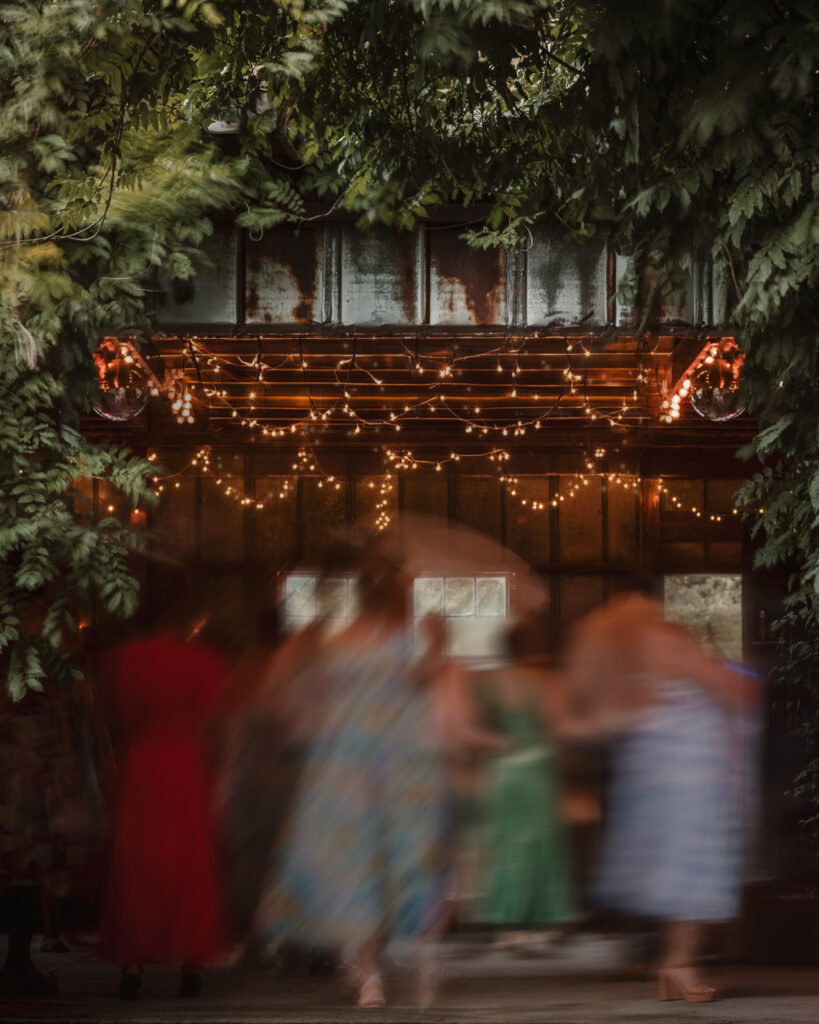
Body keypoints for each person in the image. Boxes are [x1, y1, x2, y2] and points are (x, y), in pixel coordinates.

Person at [255, 561, 448, 1009]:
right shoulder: (399, 639)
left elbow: (306, 698)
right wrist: (440, 640)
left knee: (352, 866)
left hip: (341, 765)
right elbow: (423, 680)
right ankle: (373, 968)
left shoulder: (337, 642)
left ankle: (368, 977)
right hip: (392, 763)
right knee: (385, 864)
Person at [566, 587, 760, 1002]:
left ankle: (673, 963)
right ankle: (679, 962)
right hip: (691, 769)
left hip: (657, 772)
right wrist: (733, 681)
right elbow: (723, 684)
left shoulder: (618, 652)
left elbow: (602, 715)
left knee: (676, 870)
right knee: (693, 868)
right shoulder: (666, 639)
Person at [98, 597, 229, 999]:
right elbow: (214, 719)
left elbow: (116, 715)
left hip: (142, 766)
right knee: (188, 862)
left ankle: (133, 962)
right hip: (185, 766)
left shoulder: (125, 660)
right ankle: (191, 960)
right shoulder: (199, 660)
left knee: (138, 862)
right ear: (176, 617)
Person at [470, 620, 576, 948]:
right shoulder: (547, 681)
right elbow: (560, 728)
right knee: (543, 844)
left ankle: (509, 925)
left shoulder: (486, 682)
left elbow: (473, 729)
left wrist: (501, 745)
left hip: (503, 771)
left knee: (506, 844)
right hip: (537, 769)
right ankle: (544, 921)